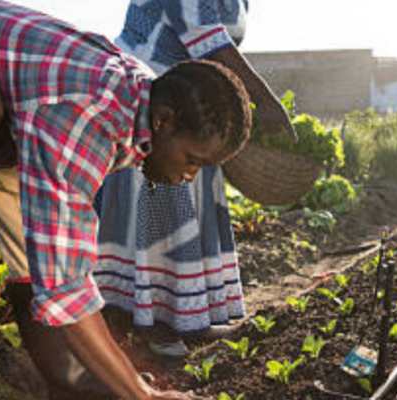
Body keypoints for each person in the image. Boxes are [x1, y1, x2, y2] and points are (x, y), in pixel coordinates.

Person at [0, 1, 252, 400]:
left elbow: (52, 247)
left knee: (30, 244)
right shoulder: (84, 120)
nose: (190, 176)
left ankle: (72, 385)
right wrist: (142, 396)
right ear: (162, 121)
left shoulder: (143, 98)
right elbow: (67, 286)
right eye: (192, 160)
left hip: (2, 99)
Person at [93, 0, 294, 356]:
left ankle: (188, 317)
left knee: (185, 205)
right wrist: (262, 100)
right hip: (157, 98)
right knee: (161, 205)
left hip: (199, 105)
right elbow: (207, 38)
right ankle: (151, 325)